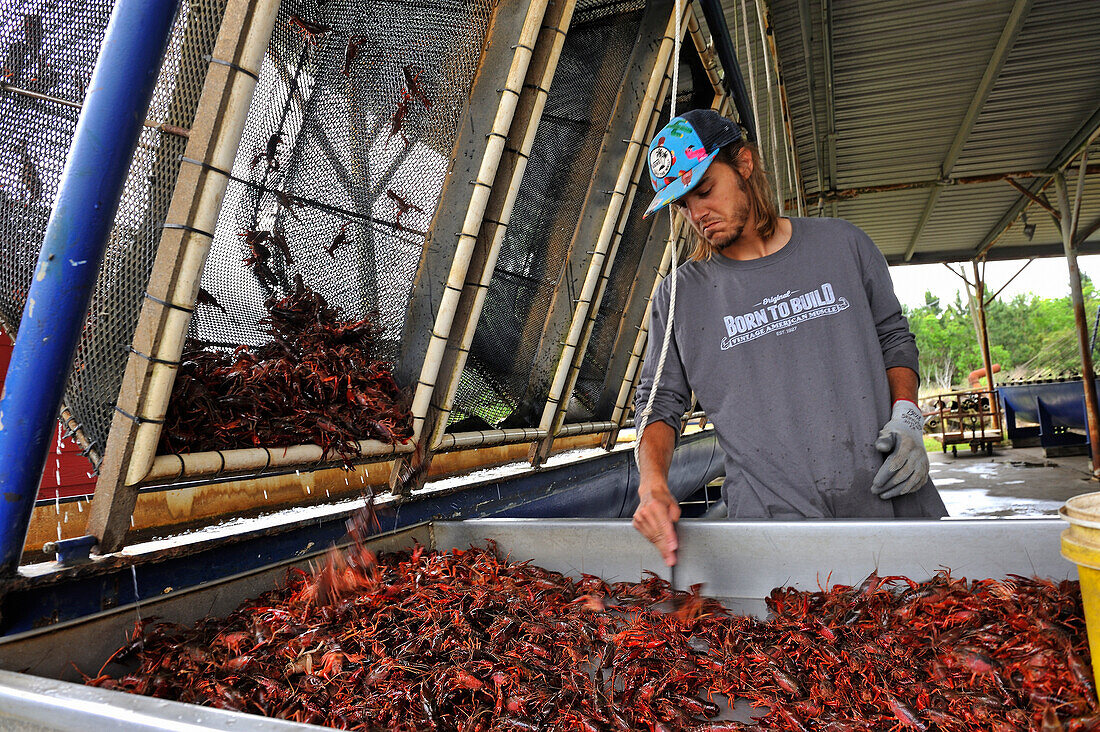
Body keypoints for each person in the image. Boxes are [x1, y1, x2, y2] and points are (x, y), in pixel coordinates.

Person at [632, 109, 946, 566]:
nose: (697, 214)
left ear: (743, 164)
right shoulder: (681, 295)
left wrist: (908, 416)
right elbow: (659, 402)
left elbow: (894, 338)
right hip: (774, 535)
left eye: (703, 190)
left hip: (889, 506)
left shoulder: (845, 245)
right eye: (682, 204)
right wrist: (652, 484)